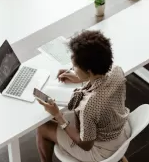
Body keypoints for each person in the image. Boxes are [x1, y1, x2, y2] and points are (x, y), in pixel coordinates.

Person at [36, 30, 131, 162]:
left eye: (75, 66)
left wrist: (58, 115)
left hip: (100, 152)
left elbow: (85, 144)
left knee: (43, 127)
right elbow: (101, 82)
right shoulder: (117, 71)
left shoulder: (89, 106)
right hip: (122, 131)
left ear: (89, 70)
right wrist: (81, 77)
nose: (73, 69)